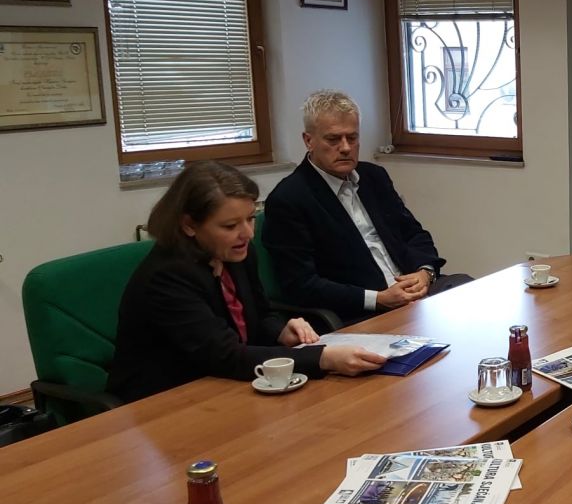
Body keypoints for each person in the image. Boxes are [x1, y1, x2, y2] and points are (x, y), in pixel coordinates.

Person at [109, 162, 386, 403]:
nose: (247, 234)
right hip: (166, 399)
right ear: (189, 225)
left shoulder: (235, 252)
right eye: (230, 226)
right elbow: (225, 355)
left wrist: (281, 331)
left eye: (250, 219)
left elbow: (261, 313)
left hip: (226, 384)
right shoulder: (167, 277)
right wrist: (323, 358)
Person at [263, 90, 471, 322]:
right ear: (308, 141)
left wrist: (425, 273)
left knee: (472, 293)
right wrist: (378, 299)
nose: (345, 147)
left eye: (352, 138)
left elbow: (413, 234)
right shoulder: (289, 199)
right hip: (362, 312)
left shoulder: (374, 177)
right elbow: (301, 284)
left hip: (415, 293)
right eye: (333, 139)